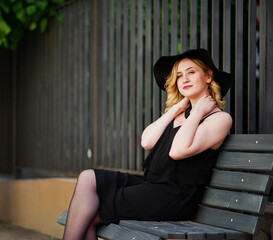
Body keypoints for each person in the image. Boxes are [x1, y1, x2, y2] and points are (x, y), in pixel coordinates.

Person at [62, 48, 233, 240]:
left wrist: (198, 112)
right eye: (179, 76)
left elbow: (177, 151)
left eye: (191, 72)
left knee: (89, 213)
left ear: (208, 76)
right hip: (152, 185)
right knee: (88, 177)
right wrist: (177, 107)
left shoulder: (218, 119)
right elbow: (147, 141)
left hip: (174, 197)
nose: (184, 79)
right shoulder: (180, 113)